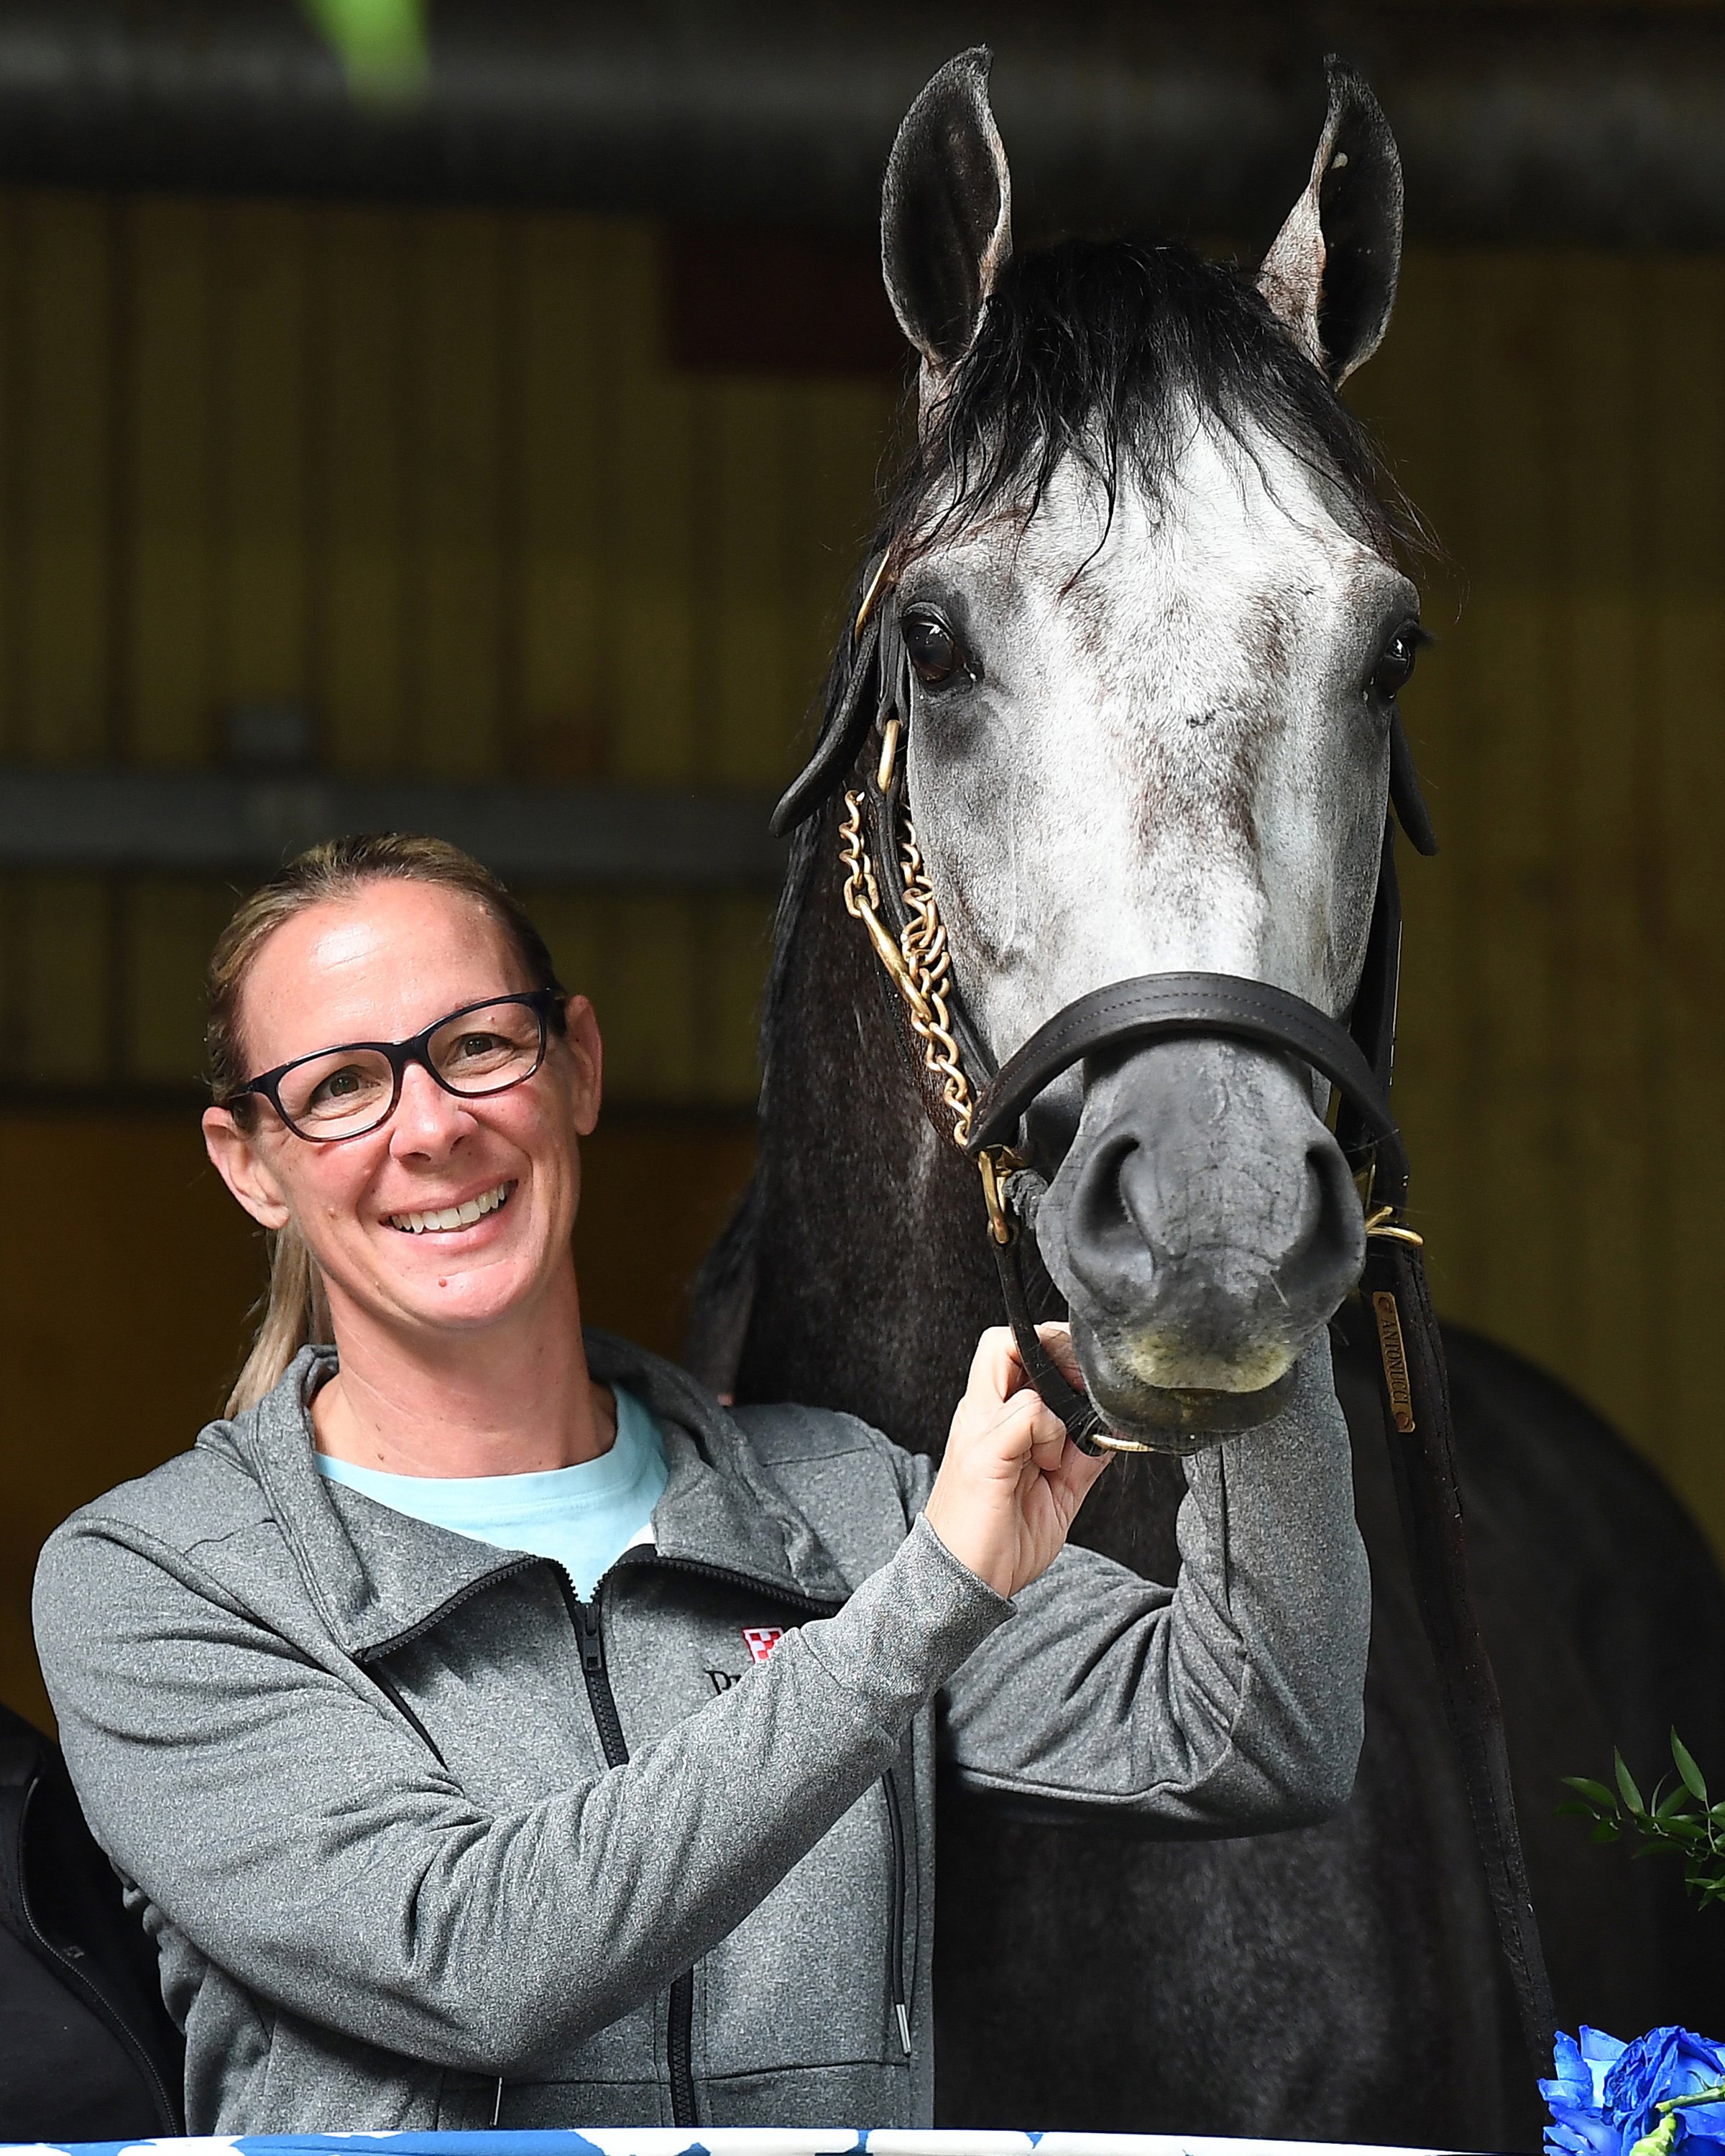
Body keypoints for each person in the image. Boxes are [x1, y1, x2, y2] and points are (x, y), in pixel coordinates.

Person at [33, 832, 1371, 2135]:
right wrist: (923, 1607)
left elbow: (1255, 1735)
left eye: (479, 1046)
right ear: (249, 1164)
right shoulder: (162, 1585)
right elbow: (467, 1964)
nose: (432, 1126)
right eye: (339, 1088)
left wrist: (1248, 1255)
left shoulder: (841, 1504)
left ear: (580, 1068)